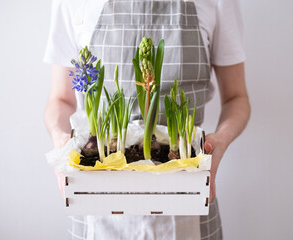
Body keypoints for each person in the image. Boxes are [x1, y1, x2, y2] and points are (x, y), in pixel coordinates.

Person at [44, 0, 250, 239]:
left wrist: (219, 142)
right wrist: (61, 143)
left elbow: (237, 98)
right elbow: (60, 100)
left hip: (188, 200)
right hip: (96, 207)